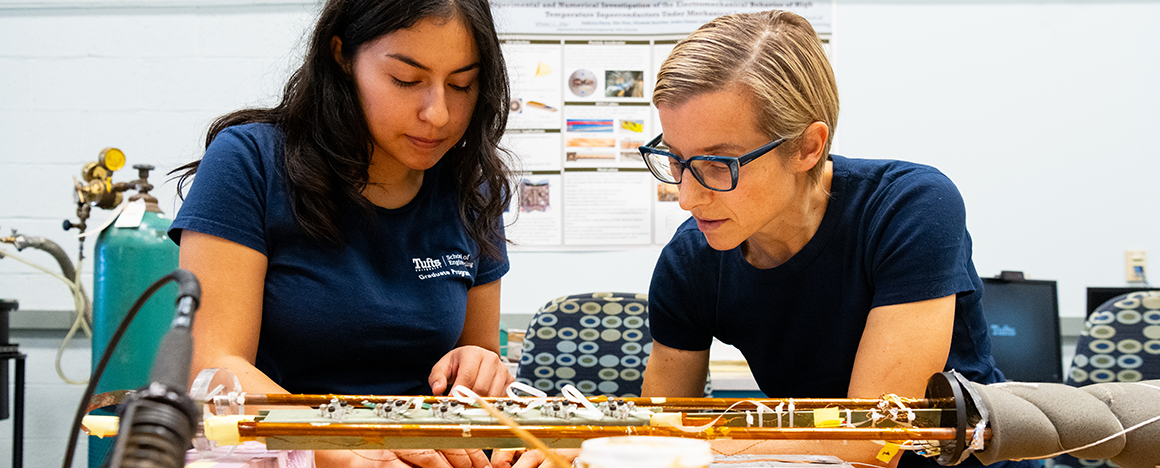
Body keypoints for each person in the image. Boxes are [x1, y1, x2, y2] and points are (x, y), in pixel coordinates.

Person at [495, 9, 1039, 468]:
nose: (687, 196)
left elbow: (873, 438)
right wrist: (588, 449)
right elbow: (663, 418)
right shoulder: (693, 259)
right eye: (677, 161)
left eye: (716, 165)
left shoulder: (911, 207)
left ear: (806, 147)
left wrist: (672, 447)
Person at [169, 0, 513, 466]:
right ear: (341, 55)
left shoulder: (471, 186)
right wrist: (340, 447)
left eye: (462, 84)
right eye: (407, 81)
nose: (438, 113)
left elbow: (479, 352)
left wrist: (479, 365)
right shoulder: (251, 162)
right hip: (277, 452)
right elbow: (214, 368)